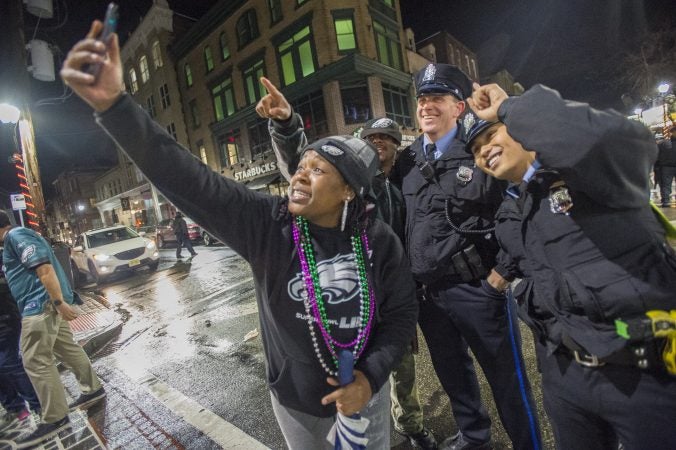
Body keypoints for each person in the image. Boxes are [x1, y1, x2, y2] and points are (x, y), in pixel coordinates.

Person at [61, 21, 418, 449]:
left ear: (347, 191)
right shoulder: (269, 224)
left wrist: (370, 376)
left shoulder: (377, 239)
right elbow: (191, 180)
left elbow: (399, 315)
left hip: (365, 397)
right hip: (298, 403)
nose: (300, 175)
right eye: (301, 166)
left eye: (318, 169)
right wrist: (116, 107)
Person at [466, 82, 676, 450]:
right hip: (567, 377)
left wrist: (509, 109)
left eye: (490, 135)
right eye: (476, 149)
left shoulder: (588, 174)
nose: (483, 150)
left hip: (644, 375)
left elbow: (613, 138)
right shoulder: (513, 211)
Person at [256, 77, 436, 449]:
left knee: (399, 368)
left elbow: (411, 231)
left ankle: (410, 423)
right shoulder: (342, 189)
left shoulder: (399, 185)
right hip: (342, 315)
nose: (378, 144)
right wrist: (287, 125)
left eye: (386, 139)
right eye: (372, 140)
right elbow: (305, 166)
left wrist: (407, 286)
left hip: (390, 294)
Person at [391, 63, 541, 450]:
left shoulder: (480, 148)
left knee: (507, 380)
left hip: (477, 287)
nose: (426, 106)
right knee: (454, 377)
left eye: (437, 98)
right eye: (422, 99)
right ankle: (475, 439)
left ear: (459, 108)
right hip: (429, 295)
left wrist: (501, 275)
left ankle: (529, 445)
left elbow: (516, 208)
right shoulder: (406, 161)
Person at [0, 211, 106, 448]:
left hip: (39, 305)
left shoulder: (17, 236)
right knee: (67, 349)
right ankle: (93, 389)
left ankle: (55, 418)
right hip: (44, 303)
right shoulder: (12, 241)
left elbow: (44, 269)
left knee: (34, 360)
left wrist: (58, 302)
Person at [0, 247, 41, 436]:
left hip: (5, 321)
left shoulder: (5, 255)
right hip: (8, 318)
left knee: (11, 364)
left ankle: (36, 405)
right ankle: (16, 408)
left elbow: (8, 287)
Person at [656, 127, 676, 207]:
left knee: (666, 185)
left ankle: (666, 201)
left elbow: (656, 155)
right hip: (666, 166)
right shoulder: (663, 143)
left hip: (666, 167)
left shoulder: (662, 143)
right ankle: (665, 200)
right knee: (666, 185)